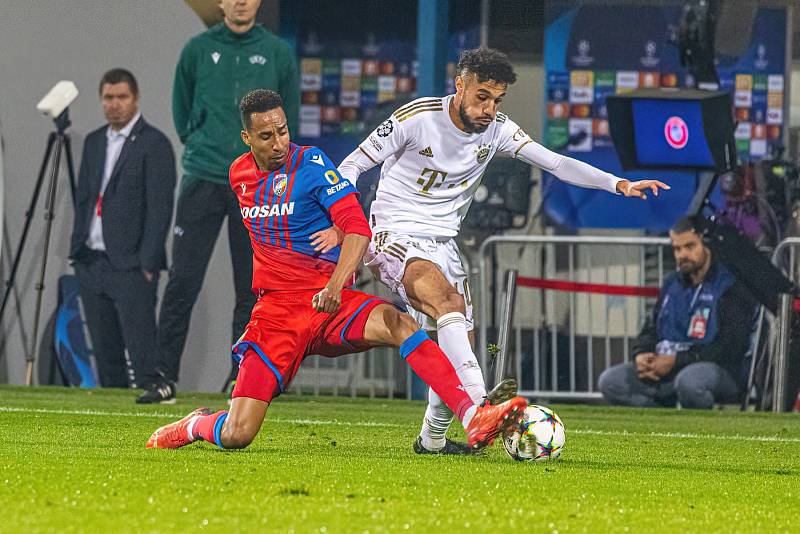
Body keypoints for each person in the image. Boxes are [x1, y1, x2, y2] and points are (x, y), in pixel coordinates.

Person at [146, 89, 528, 451]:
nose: (278, 143)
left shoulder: (311, 165)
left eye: (282, 131)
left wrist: (334, 282)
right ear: (247, 137)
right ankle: (195, 425)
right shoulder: (238, 175)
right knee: (237, 434)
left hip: (327, 301)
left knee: (400, 325)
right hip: (275, 315)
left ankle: (473, 415)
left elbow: (358, 228)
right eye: (266, 136)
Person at [337, 47, 670, 454]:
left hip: (444, 244)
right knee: (448, 304)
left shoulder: (497, 130)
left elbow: (557, 163)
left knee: (455, 344)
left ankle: (432, 440)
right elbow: (349, 168)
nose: (489, 109)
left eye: (497, 100)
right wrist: (347, 227)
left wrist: (617, 184)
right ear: (460, 85)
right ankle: (480, 408)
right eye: (482, 96)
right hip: (395, 234)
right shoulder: (417, 118)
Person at [138, 0, 301, 403]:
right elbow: (181, 111)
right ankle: (162, 378)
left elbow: (288, 119)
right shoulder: (196, 49)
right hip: (203, 177)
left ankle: (241, 378)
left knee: (253, 286)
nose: (241, 1)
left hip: (257, 186)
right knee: (182, 281)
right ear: (221, 3)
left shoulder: (279, 52)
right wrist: (200, 145)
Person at [69, 68, 176, 389]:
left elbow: (160, 208)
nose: (114, 104)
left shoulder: (154, 143)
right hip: (92, 261)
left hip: (132, 265)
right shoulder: (93, 142)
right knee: (106, 355)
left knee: (143, 357)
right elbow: (85, 199)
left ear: (136, 98)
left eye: (121, 97)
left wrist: (147, 263)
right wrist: (78, 253)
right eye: (108, 98)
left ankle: (148, 413)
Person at [598, 216, 758, 409]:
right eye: (677, 249)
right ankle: (658, 427)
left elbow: (728, 348)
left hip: (716, 368)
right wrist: (641, 354)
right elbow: (651, 329)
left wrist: (676, 361)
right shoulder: (671, 284)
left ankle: (701, 434)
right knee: (611, 381)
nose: (683, 255)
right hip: (667, 366)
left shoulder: (729, 285)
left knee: (689, 383)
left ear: (706, 244)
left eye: (690, 247)